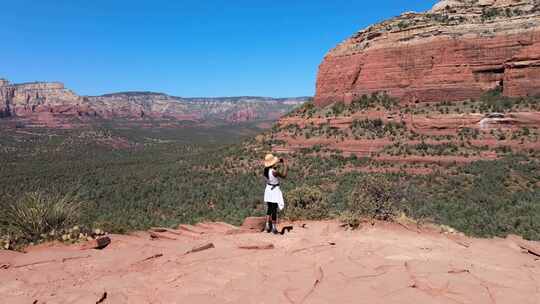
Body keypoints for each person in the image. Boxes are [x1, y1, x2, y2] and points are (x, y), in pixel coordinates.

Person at [263, 153, 288, 234]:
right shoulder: (274, 172)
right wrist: (285, 165)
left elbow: (272, 167)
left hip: (268, 189)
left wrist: (278, 162)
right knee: (274, 209)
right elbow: (284, 175)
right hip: (274, 190)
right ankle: (273, 228)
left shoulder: (266, 170)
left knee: (269, 208)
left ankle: (267, 226)